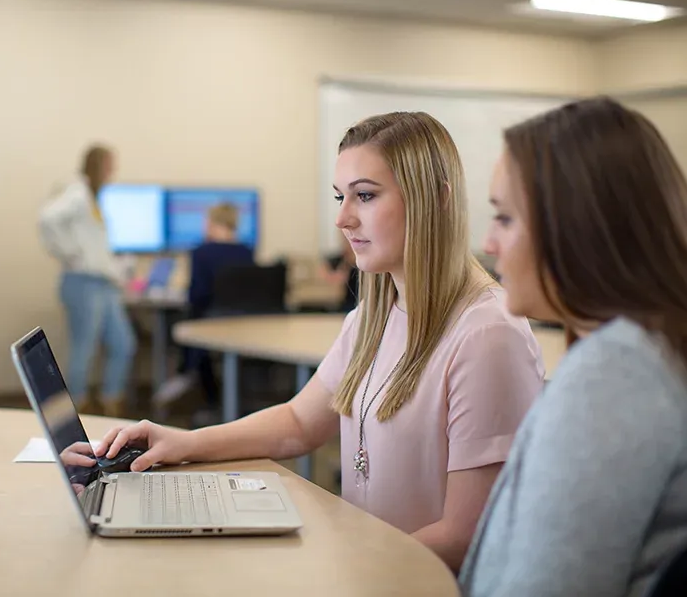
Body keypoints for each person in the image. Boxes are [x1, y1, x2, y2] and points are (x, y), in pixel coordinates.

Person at [92, 112, 545, 571]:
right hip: (373, 571)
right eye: (340, 197)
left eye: (365, 196)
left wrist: (335, 568)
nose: (343, 219)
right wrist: (183, 442)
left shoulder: (488, 335)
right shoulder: (374, 313)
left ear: (437, 199)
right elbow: (298, 422)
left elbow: (465, 537)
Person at [459, 97, 687, 596]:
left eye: (505, 219)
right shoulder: (650, 351)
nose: (488, 243)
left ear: (574, 227)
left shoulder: (615, 377)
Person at [39, 144, 136, 419]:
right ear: (97, 165)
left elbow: (96, 247)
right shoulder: (77, 193)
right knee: (85, 348)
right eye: (110, 165)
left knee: (123, 343)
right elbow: (47, 219)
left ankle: (110, 401)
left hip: (103, 283)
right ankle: (77, 408)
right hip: (82, 282)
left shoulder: (93, 198)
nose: (113, 171)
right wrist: (70, 252)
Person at [152, 203, 254, 412]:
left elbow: (196, 296)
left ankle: (198, 389)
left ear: (213, 223)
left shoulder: (201, 253)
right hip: (244, 328)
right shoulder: (246, 252)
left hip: (209, 328)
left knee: (185, 327)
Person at [318, 234, 359, 312]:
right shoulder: (339, 258)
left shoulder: (360, 261)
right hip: (345, 303)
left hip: (357, 301)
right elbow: (323, 271)